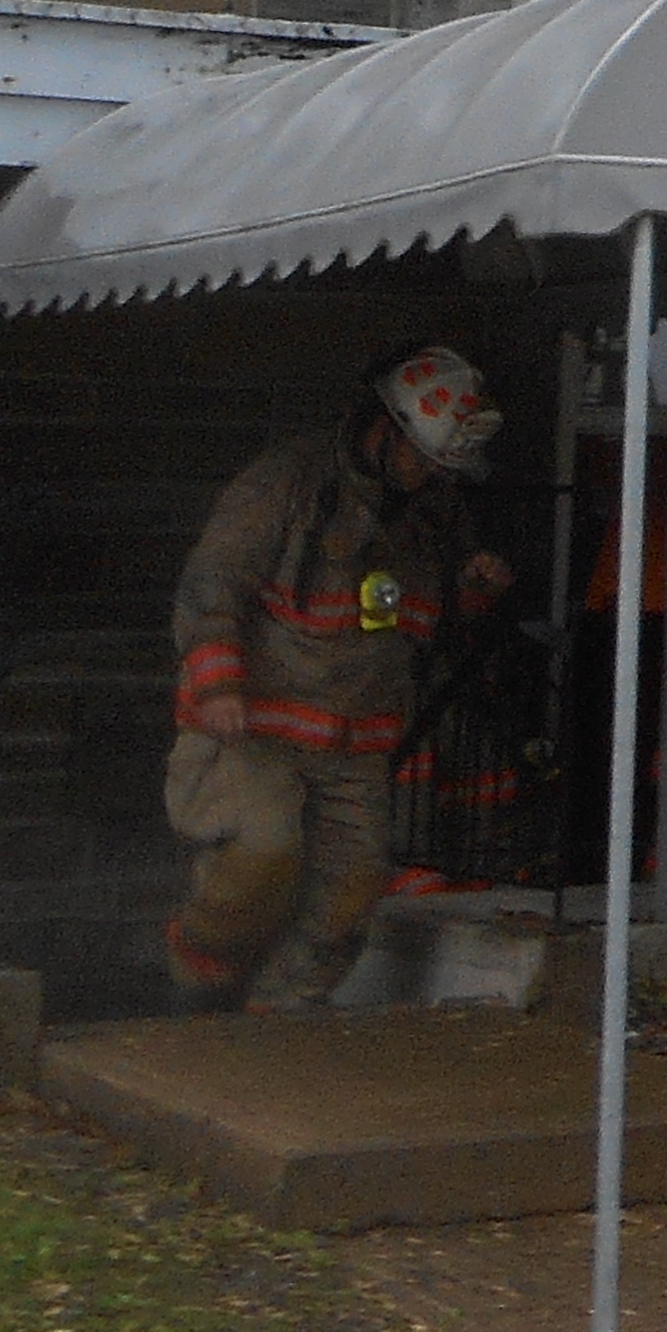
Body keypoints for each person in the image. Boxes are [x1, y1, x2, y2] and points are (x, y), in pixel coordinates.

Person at [160, 343, 511, 1010]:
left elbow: (424, 624)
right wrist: (219, 680)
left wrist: (472, 592)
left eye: (442, 465)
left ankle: (277, 1018)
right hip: (258, 728)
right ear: (387, 429)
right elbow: (213, 578)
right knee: (262, 855)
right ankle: (197, 990)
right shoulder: (287, 483)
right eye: (424, 457)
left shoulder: (430, 511)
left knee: (351, 891)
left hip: (357, 745)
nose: (430, 475)